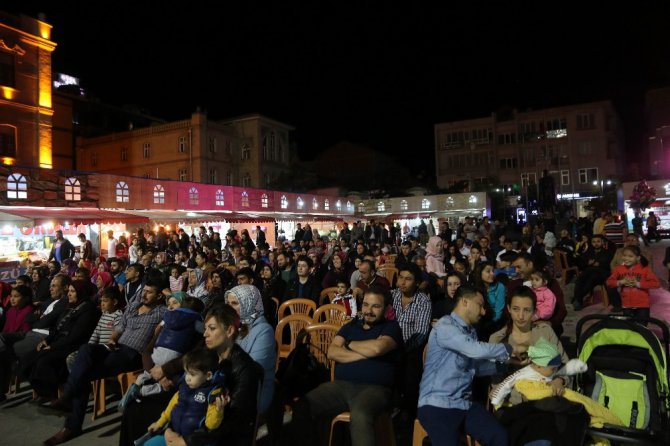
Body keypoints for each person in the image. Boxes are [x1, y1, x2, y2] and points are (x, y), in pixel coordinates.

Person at [41, 281, 166, 445]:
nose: (144, 294)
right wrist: (113, 339)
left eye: (150, 292)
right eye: (144, 291)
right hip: (116, 347)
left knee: (82, 373)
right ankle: (68, 400)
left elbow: (181, 305)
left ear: (159, 296)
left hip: (132, 354)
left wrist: (168, 293)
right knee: (86, 349)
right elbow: (119, 328)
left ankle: (70, 420)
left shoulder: (161, 311)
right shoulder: (134, 306)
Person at [119, 303, 260, 446]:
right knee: (134, 408)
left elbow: (235, 419)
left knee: (142, 414)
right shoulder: (207, 352)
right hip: (191, 412)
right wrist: (169, 428)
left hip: (210, 434)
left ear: (229, 330)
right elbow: (187, 377)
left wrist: (186, 441)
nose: (205, 333)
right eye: (205, 329)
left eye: (212, 329)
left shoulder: (243, 368)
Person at [289, 285, 404, 446]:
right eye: (365, 304)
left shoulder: (392, 327)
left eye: (376, 306)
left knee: (360, 415)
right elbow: (332, 352)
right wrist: (366, 353)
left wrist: (348, 344)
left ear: (386, 309)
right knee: (303, 406)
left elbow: (377, 348)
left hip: (375, 388)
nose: (369, 310)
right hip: (341, 386)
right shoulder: (350, 326)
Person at [418, 286, 518, 446]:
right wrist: (508, 349)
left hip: (464, 404)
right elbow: (474, 350)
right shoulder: (445, 325)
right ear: (465, 301)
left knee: (499, 437)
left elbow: (476, 368)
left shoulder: (470, 333)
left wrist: (506, 365)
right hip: (438, 404)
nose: (484, 311)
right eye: (480, 305)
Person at [20, 279, 100, 401]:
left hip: (72, 345)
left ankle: (55, 396)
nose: (69, 294)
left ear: (81, 292)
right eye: (69, 291)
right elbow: (58, 328)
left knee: (44, 361)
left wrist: (53, 346)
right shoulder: (71, 306)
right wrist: (47, 340)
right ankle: (44, 392)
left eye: (73, 291)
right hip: (59, 342)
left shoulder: (88, 310)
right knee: (29, 358)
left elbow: (76, 336)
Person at [123, 293, 203, 401]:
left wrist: (155, 371)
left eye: (175, 303)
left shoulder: (167, 320)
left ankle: (139, 382)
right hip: (172, 360)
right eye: (168, 303)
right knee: (174, 381)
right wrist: (159, 375)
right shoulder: (195, 321)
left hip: (158, 357)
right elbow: (146, 352)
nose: (170, 307)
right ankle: (141, 391)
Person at [143, 348, 228, 446]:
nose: (187, 378)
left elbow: (211, 425)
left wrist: (218, 411)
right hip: (175, 434)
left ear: (208, 375)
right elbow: (171, 407)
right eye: (186, 373)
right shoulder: (184, 387)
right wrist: (159, 423)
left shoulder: (213, 393)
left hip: (194, 441)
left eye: (192, 374)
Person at [489, 337, 587, 409]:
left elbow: (565, 370)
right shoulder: (524, 373)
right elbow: (506, 383)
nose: (555, 370)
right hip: (525, 405)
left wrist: (560, 380)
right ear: (539, 365)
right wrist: (496, 400)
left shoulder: (548, 370)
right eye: (553, 369)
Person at [223, 284, 276, 414]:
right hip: (229, 385)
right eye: (228, 303)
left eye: (235, 303)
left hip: (252, 392)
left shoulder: (264, 331)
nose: (229, 308)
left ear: (249, 304)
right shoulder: (234, 326)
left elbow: (252, 371)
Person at [606, 245, 660, 320]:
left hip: (642, 305)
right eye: (624, 255)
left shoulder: (645, 269)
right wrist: (621, 282)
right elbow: (609, 282)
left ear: (638, 258)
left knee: (642, 326)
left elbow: (656, 284)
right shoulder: (619, 269)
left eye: (630, 256)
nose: (626, 258)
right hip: (626, 304)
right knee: (629, 327)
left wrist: (638, 284)